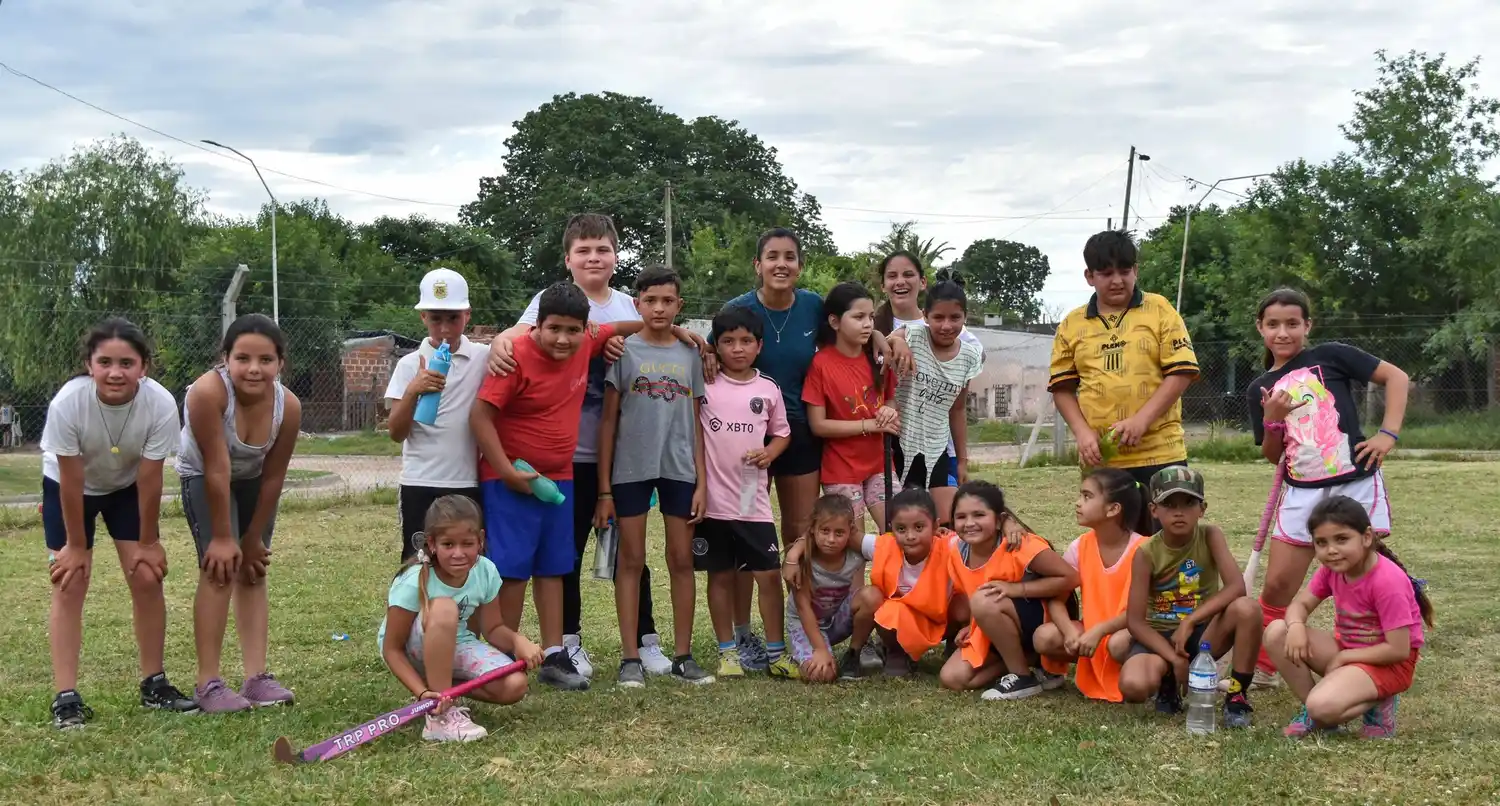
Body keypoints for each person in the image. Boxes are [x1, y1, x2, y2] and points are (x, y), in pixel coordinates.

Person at [486, 213, 670, 678]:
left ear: (616, 256)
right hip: (559, 458)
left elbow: (656, 329)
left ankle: (645, 639)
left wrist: (681, 333)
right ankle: (566, 642)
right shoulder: (551, 305)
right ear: (568, 259)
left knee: (629, 551)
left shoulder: (631, 305)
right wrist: (497, 344)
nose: (594, 257)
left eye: (602, 249)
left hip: (619, 453)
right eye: (583, 250)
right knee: (559, 556)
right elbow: (516, 336)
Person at [725, 229, 910, 671]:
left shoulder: (811, 304)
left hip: (802, 435)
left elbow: (858, 323)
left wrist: (888, 338)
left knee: (800, 533)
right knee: (743, 535)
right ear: (758, 264)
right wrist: (707, 352)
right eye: (772, 256)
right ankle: (742, 635)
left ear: (800, 265)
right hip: (749, 437)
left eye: (790, 256)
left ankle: (809, 627)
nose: (781, 264)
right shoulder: (738, 311)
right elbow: (721, 346)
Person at [1248, 287, 1411, 689]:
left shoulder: (1332, 356)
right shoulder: (1261, 388)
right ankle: (1268, 665)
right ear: (1260, 328)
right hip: (1301, 492)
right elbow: (1274, 455)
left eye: (1292, 323)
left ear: (1308, 325)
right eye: (1273, 324)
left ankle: (1375, 659)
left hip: (1353, 486)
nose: (1282, 332)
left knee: (1361, 576)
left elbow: (1396, 377)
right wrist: (1272, 419)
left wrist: (1387, 434)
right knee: (1278, 585)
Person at [40, 318, 197, 729]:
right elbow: (72, 480)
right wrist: (75, 546)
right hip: (69, 487)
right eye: (104, 362)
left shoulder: (160, 404)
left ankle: (154, 684)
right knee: (70, 580)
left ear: (143, 366)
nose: (115, 372)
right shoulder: (67, 404)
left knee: (146, 576)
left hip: (126, 485)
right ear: (89, 365)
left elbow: (150, 476)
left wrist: (148, 542)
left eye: (126, 363)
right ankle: (66, 697)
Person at [177, 314, 303, 713]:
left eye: (266, 360)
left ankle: (256, 678)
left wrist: (252, 539)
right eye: (243, 358)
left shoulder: (290, 407)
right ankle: (208, 684)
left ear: (280, 363)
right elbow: (216, 467)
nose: (254, 369)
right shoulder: (206, 393)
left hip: (254, 480)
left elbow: (274, 476)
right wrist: (224, 537)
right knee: (220, 568)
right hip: (204, 475)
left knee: (253, 567)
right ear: (225, 359)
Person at [596, 266, 712, 687]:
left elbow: (697, 421)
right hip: (630, 470)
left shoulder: (690, 354)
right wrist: (605, 489)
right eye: (650, 300)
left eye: (667, 301)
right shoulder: (622, 351)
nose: (659, 308)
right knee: (630, 560)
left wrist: (702, 481)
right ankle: (630, 658)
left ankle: (683, 654)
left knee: (681, 560)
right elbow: (608, 423)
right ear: (637, 303)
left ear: (679, 306)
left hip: (679, 469)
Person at [1048, 230, 1199, 534]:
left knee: (1169, 545)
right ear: (1089, 276)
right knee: (1114, 545)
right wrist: (1083, 433)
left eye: (1125, 271)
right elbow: (1062, 387)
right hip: (1103, 459)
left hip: (1162, 451)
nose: (1117, 280)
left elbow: (1182, 372)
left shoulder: (1159, 309)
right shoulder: (1072, 324)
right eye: (1106, 273)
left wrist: (1142, 420)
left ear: (1136, 271)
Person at [1264, 496, 1432, 739]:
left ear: (1366, 537)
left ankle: (1377, 702)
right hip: (1351, 651)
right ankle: (1316, 715)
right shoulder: (1331, 570)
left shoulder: (1387, 581)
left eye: (1342, 539)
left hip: (1389, 664)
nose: (1331, 550)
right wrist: (1297, 625)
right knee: (1277, 631)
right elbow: (1300, 604)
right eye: (1321, 542)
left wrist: (1345, 657)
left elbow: (1399, 650)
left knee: (1322, 705)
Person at [380, 495, 542, 743]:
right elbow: (391, 649)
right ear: (432, 544)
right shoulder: (413, 580)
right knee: (445, 609)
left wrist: (518, 641)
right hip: (411, 652)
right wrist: (422, 692)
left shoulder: (485, 570)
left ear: (481, 540)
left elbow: (494, 628)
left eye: (467, 543)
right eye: (448, 545)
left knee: (515, 684)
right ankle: (438, 717)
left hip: (455, 643)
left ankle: (444, 688)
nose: (459, 553)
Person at [693, 306, 794, 679]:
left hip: (753, 503)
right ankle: (727, 652)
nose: (737, 348)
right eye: (728, 341)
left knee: (767, 575)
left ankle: (775, 652)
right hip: (715, 502)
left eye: (746, 341)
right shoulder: (704, 384)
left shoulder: (767, 389)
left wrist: (769, 452)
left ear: (759, 345)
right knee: (719, 576)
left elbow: (783, 433)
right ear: (715, 347)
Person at [1121, 467, 1262, 728]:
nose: (1178, 512)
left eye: (1188, 503)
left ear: (1202, 508)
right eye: (1169, 504)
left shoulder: (1210, 536)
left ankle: (1237, 694)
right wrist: (1174, 658)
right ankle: (1168, 683)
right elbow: (1135, 622)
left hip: (1202, 632)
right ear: (1154, 510)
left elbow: (1236, 587)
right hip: (1161, 633)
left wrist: (1190, 621)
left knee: (1248, 609)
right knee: (1133, 686)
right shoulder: (1146, 552)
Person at [384, 268, 489, 562]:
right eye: (436, 318)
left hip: (465, 480)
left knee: (466, 560)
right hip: (419, 480)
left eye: (453, 318)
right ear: (423, 318)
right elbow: (396, 432)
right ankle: (416, 610)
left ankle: (458, 610)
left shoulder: (481, 357)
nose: (444, 328)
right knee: (417, 561)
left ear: (467, 315)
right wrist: (413, 391)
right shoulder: (408, 364)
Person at [941, 481, 1078, 700]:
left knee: (985, 600)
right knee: (953, 678)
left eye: (979, 515)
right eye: (961, 517)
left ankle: (1022, 677)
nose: (969, 523)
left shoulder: (1020, 543)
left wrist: (1016, 588)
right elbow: (973, 589)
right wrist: (972, 624)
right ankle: (1027, 659)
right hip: (1001, 621)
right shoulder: (956, 551)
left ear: (998, 520)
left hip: (1041, 620)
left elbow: (1070, 578)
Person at [1032, 468, 1149, 703]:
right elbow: (1057, 597)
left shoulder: (1145, 549)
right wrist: (1068, 631)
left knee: (1117, 643)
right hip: (1094, 631)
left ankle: (1146, 674)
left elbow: (1143, 611)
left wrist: (1099, 631)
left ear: (1113, 509)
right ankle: (1078, 668)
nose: (1077, 503)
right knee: (1044, 637)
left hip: (1133, 631)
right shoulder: (1080, 546)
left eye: (1087, 497)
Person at [802, 281, 899, 532]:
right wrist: (869, 425)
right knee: (852, 544)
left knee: (898, 528)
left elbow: (890, 398)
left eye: (870, 317)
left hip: (880, 464)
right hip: (841, 469)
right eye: (858, 317)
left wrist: (889, 410)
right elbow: (818, 424)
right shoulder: (821, 365)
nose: (868, 324)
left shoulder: (879, 358)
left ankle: (888, 573)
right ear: (835, 322)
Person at [889, 281, 983, 524]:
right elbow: (884, 340)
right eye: (938, 317)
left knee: (948, 523)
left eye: (955, 317)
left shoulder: (969, 357)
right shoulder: (914, 336)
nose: (946, 325)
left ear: (965, 317)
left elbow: (958, 409)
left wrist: (962, 461)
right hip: (897, 444)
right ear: (925, 316)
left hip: (935, 447)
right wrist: (898, 341)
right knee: (905, 522)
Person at [782, 494, 866, 682]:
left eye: (839, 533)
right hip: (805, 624)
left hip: (835, 619)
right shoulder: (804, 559)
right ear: (813, 529)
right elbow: (803, 608)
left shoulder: (855, 554)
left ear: (850, 531)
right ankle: (806, 652)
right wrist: (820, 649)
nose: (831, 539)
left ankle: (853, 655)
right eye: (825, 531)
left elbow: (890, 547)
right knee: (823, 675)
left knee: (871, 596)